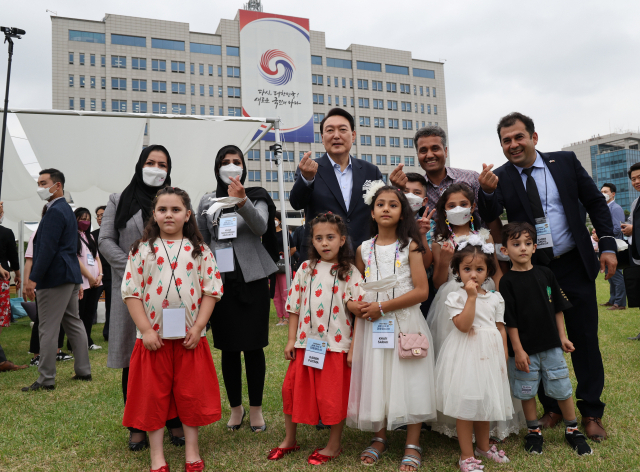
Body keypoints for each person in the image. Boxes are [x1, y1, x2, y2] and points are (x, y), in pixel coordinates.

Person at [477, 112, 617, 442]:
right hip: (534, 272)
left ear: (534, 137)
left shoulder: (565, 163)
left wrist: (608, 245)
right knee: (539, 341)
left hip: (574, 264)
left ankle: (592, 412)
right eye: (506, 140)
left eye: (518, 137)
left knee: (583, 337)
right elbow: (490, 215)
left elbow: (595, 204)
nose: (513, 144)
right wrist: (484, 193)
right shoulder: (500, 177)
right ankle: (552, 407)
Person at [122, 187, 222, 472]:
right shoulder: (141, 250)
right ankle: (157, 455)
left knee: (190, 395)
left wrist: (200, 326)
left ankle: (192, 450)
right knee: (153, 397)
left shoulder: (200, 250)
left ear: (187, 214)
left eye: (175, 209)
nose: (169, 214)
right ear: (154, 214)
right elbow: (131, 293)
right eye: (163, 209)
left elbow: (211, 291)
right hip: (153, 342)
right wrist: (147, 330)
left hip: (191, 339)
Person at [99, 145, 184, 450]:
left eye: (162, 164)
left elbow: (189, 241)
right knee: (133, 363)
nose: (156, 168)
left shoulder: (175, 199)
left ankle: (174, 423)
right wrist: (136, 268)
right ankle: (137, 426)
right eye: (151, 162)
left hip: (172, 292)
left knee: (173, 358)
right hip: (131, 291)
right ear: (140, 164)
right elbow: (106, 240)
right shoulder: (118, 199)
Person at [348, 183, 435, 472]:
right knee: (378, 378)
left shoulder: (410, 245)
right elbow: (357, 287)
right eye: (381, 204)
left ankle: (413, 443)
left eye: (393, 205)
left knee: (410, 379)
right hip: (374, 326)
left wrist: (383, 306)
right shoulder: (362, 249)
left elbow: (422, 290)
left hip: (405, 322)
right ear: (372, 212)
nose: (386, 208)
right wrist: (357, 306)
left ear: (402, 213)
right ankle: (379, 436)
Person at [268, 212, 364, 465]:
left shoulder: (351, 272)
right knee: (291, 391)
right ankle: (290, 439)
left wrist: (354, 344)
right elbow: (294, 307)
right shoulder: (304, 269)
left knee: (332, 397)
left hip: (335, 347)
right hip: (305, 345)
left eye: (330, 237)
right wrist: (290, 339)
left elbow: (358, 313)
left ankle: (333, 445)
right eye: (318, 238)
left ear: (342, 240)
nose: (324, 243)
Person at [196, 145, 278, 433]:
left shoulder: (257, 196)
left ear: (244, 167)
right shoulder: (207, 200)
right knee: (228, 348)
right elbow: (202, 241)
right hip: (221, 282)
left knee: (254, 347)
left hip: (253, 279)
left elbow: (261, 227)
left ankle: (255, 409)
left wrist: (241, 201)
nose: (231, 166)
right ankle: (236, 408)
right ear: (217, 167)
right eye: (225, 162)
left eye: (236, 162)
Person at [499, 222, 592, 456]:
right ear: (504, 250)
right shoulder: (507, 282)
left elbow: (557, 309)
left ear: (534, 247)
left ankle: (572, 429)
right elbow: (510, 321)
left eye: (528, 243)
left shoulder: (546, 273)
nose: (522, 248)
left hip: (552, 347)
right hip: (525, 351)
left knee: (562, 386)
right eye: (516, 244)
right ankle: (533, 432)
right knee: (526, 390)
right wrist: (517, 351)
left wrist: (562, 337)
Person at [435, 243, 513, 471]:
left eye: (479, 269)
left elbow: (500, 329)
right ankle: (466, 455)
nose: (473, 274)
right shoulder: (456, 297)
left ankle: (483, 446)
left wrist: (503, 356)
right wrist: (470, 298)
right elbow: (463, 326)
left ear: (488, 272)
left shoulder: (496, 298)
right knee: (467, 405)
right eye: (467, 268)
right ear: (457, 271)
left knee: (485, 403)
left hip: (489, 356)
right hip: (466, 355)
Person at [22, 168, 91, 391]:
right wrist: (78, 280)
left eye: (43, 183)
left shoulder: (54, 212)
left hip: (54, 277)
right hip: (69, 275)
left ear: (57, 185)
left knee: (48, 327)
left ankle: (46, 378)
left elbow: (47, 249)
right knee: (73, 322)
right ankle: (83, 370)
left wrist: (33, 278)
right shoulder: (66, 211)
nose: (40, 187)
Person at [289, 107, 383, 261]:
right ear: (322, 137)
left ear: (353, 136)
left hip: (363, 257)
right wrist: (307, 179)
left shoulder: (370, 171)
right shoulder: (309, 168)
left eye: (342, 129)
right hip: (320, 258)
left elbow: (380, 211)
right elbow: (296, 203)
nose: (336, 135)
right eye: (330, 130)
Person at [427, 183, 502, 359]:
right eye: (451, 206)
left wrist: (499, 294)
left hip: (485, 291)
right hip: (454, 295)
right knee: (457, 346)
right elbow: (438, 283)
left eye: (463, 204)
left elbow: (496, 271)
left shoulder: (485, 236)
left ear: (473, 206)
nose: (458, 209)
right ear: (444, 211)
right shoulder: (440, 240)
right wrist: (444, 261)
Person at [24, 208, 72, 366]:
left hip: (57, 282)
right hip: (42, 283)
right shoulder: (37, 233)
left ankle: (57, 350)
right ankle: (37, 354)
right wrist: (28, 282)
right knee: (42, 321)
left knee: (59, 320)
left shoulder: (61, 232)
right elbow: (30, 260)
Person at [74, 207, 103, 350]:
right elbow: (76, 259)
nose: (85, 222)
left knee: (90, 312)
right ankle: (77, 343)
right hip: (83, 281)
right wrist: (90, 277)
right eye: (82, 219)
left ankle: (88, 340)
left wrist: (100, 275)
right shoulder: (72, 236)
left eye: (87, 219)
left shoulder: (90, 236)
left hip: (96, 281)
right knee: (81, 312)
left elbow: (97, 257)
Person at [594, 183, 626, 310]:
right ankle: (613, 300)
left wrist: (604, 235)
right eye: (601, 191)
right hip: (606, 246)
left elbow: (618, 228)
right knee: (611, 276)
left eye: (605, 191)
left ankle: (620, 302)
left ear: (613, 194)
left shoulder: (616, 208)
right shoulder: (605, 207)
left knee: (617, 275)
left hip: (615, 246)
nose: (603, 194)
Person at [622, 163, 640, 340]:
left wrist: (634, 229)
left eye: (639, 177)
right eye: (633, 179)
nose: (636, 181)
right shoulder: (635, 202)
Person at [92, 205, 112, 340]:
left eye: (102, 215)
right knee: (90, 305)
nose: (100, 218)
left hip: (112, 276)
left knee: (112, 307)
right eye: (98, 216)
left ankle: (109, 334)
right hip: (96, 277)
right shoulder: (92, 235)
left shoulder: (115, 234)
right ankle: (84, 336)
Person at [274, 211, 294, 326]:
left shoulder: (285, 233)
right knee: (276, 293)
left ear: (280, 220)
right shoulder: (269, 234)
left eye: (276, 218)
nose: (274, 221)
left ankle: (287, 317)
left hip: (283, 266)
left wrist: (285, 257)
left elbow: (293, 249)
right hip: (272, 266)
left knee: (285, 292)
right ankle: (280, 317)